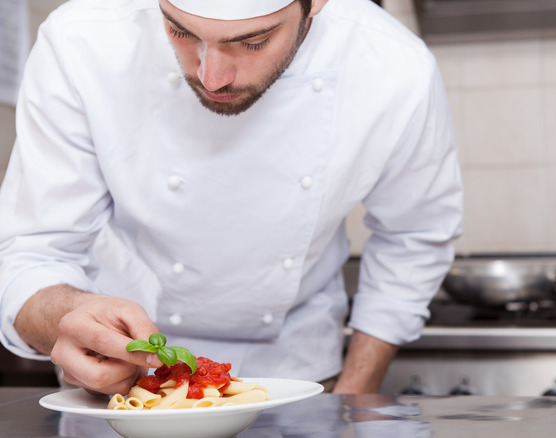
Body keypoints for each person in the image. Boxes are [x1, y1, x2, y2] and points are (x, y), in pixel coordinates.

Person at [0, 0, 462, 395]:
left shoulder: (393, 64)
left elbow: (414, 238)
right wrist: (69, 317)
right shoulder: (80, 39)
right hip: (117, 387)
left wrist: (353, 397)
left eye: (254, 41)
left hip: (297, 379)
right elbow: (30, 253)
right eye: (180, 30)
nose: (212, 77)